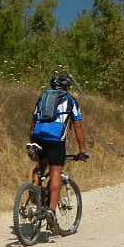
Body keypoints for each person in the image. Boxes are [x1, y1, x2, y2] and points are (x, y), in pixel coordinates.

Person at [28, 74, 89, 230]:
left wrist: (32, 140)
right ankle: (51, 211)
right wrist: (83, 151)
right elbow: (77, 127)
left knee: (40, 166)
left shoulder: (43, 97)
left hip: (38, 137)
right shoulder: (70, 100)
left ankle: (35, 191)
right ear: (67, 87)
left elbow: (33, 122)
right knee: (55, 173)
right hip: (56, 140)